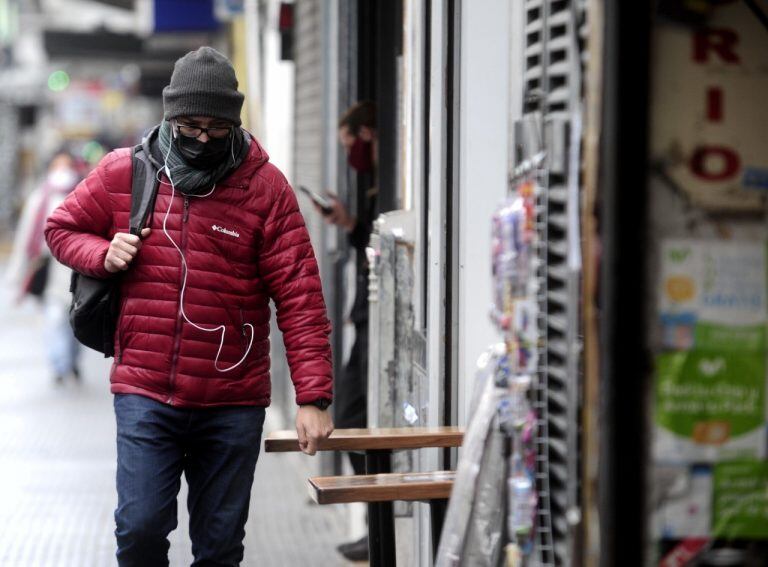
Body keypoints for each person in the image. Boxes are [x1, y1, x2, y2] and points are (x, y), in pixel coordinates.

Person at [45, 47, 334, 566]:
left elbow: (300, 293)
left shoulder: (264, 188)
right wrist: (103, 254)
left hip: (232, 399)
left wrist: (312, 396)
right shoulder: (125, 173)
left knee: (220, 547)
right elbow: (60, 228)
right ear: (169, 117)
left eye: (217, 128)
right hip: (146, 390)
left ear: (234, 123)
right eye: (190, 126)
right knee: (140, 530)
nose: (203, 138)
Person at [316, 101, 377, 562]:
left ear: (367, 134)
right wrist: (350, 223)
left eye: (349, 143)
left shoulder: (388, 178)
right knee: (354, 417)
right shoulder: (376, 182)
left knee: (354, 417)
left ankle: (379, 524)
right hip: (366, 316)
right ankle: (375, 524)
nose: (349, 154)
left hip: (378, 319)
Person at [6, 151, 83, 384]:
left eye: (66, 165)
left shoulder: (83, 195)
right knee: (54, 318)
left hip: (77, 270)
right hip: (48, 270)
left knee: (76, 320)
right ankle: (59, 364)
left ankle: (71, 360)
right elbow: (25, 237)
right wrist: (16, 275)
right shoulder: (39, 198)